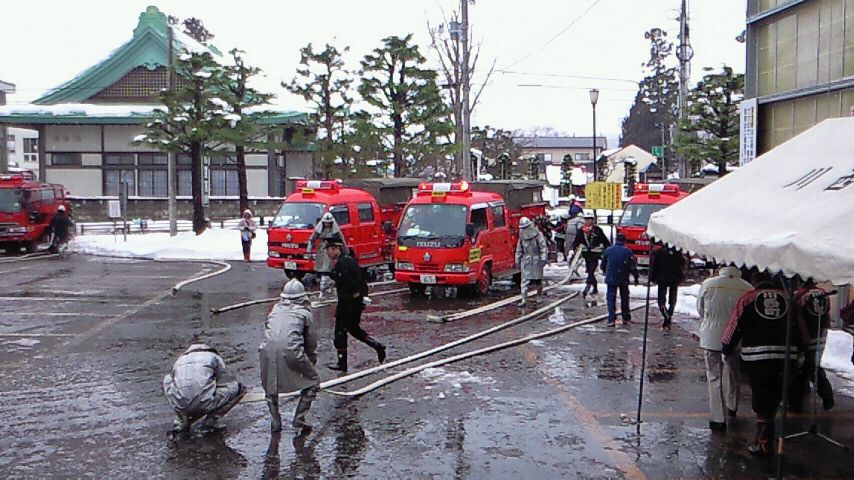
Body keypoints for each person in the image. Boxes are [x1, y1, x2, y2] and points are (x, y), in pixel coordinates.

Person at [721, 274, 801, 456]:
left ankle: (764, 442)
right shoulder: (788, 299)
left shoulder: (748, 298)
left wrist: (727, 346)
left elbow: (734, 325)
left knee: (761, 397)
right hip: (785, 357)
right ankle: (766, 438)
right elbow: (799, 325)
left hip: (756, 357)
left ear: (755, 281)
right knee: (773, 397)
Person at [260, 279, 320, 434]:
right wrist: (310, 361)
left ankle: (275, 421)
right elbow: (310, 341)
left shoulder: (275, 309)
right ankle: (299, 418)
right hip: (292, 350)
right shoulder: (305, 313)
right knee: (312, 382)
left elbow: (268, 329)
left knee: (270, 387)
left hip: (267, 350)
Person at [697, 265, 752, 432]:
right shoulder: (747, 288)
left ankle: (717, 418)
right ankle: (732, 405)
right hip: (736, 337)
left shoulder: (709, 284)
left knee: (714, 376)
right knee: (733, 372)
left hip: (711, 336)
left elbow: (700, 309)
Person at [325, 239, 386, 372]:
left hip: (348, 304)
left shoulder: (342, 263)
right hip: (355, 303)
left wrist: (355, 297)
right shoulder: (349, 260)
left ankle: (342, 363)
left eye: (328, 249)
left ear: (336, 249)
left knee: (340, 333)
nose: (327, 253)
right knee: (354, 329)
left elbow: (349, 283)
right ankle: (377, 346)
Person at [162, 343, 246, 437]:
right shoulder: (213, 357)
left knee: (168, 379)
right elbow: (226, 380)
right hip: (204, 402)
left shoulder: (179, 361)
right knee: (238, 388)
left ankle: (182, 419)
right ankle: (209, 422)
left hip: (181, 404)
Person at [790, 280, 834, 412]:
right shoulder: (822, 293)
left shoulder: (800, 295)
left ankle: (797, 402)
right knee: (812, 365)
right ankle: (825, 396)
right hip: (820, 334)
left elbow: (795, 315)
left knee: (804, 367)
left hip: (805, 336)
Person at [600, 233, 639, 326]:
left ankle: (611, 318)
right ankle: (625, 317)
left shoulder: (608, 250)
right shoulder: (628, 252)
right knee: (624, 298)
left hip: (611, 278)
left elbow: (603, 265)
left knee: (611, 298)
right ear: (624, 241)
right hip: (623, 278)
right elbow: (632, 267)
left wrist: (606, 271)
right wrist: (636, 277)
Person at [306, 212, 346, 297]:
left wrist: (345, 252)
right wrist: (309, 250)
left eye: (329, 223)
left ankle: (323, 289)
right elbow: (311, 239)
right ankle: (329, 282)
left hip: (331, 249)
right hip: (321, 249)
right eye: (326, 223)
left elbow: (342, 240)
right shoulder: (319, 229)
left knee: (326, 269)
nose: (327, 224)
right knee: (319, 270)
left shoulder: (335, 230)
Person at [570, 212, 610, 295]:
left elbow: (605, 241)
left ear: (592, 220)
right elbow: (577, 240)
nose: (587, 221)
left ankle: (587, 287)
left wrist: (609, 251)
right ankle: (595, 287)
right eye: (586, 219)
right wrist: (573, 249)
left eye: (589, 219)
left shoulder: (597, 230)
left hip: (595, 254)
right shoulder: (581, 230)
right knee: (589, 271)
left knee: (591, 270)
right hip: (586, 254)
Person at [649, 243, 686, 330]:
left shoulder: (658, 252)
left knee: (661, 300)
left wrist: (652, 278)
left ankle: (666, 316)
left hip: (662, 278)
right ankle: (670, 313)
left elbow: (654, 267)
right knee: (672, 298)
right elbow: (682, 264)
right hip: (674, 278)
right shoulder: (677, 253)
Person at [515, 216, 548, 307]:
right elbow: (519, 249)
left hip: (537, 259)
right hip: (526, 260)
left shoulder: (537, 234)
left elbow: (543, 247)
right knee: (524, 280)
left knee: (538, 280)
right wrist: (517, 260)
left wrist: (543, 258)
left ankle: (539, 295)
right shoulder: (521, 236)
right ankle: (523, 298)